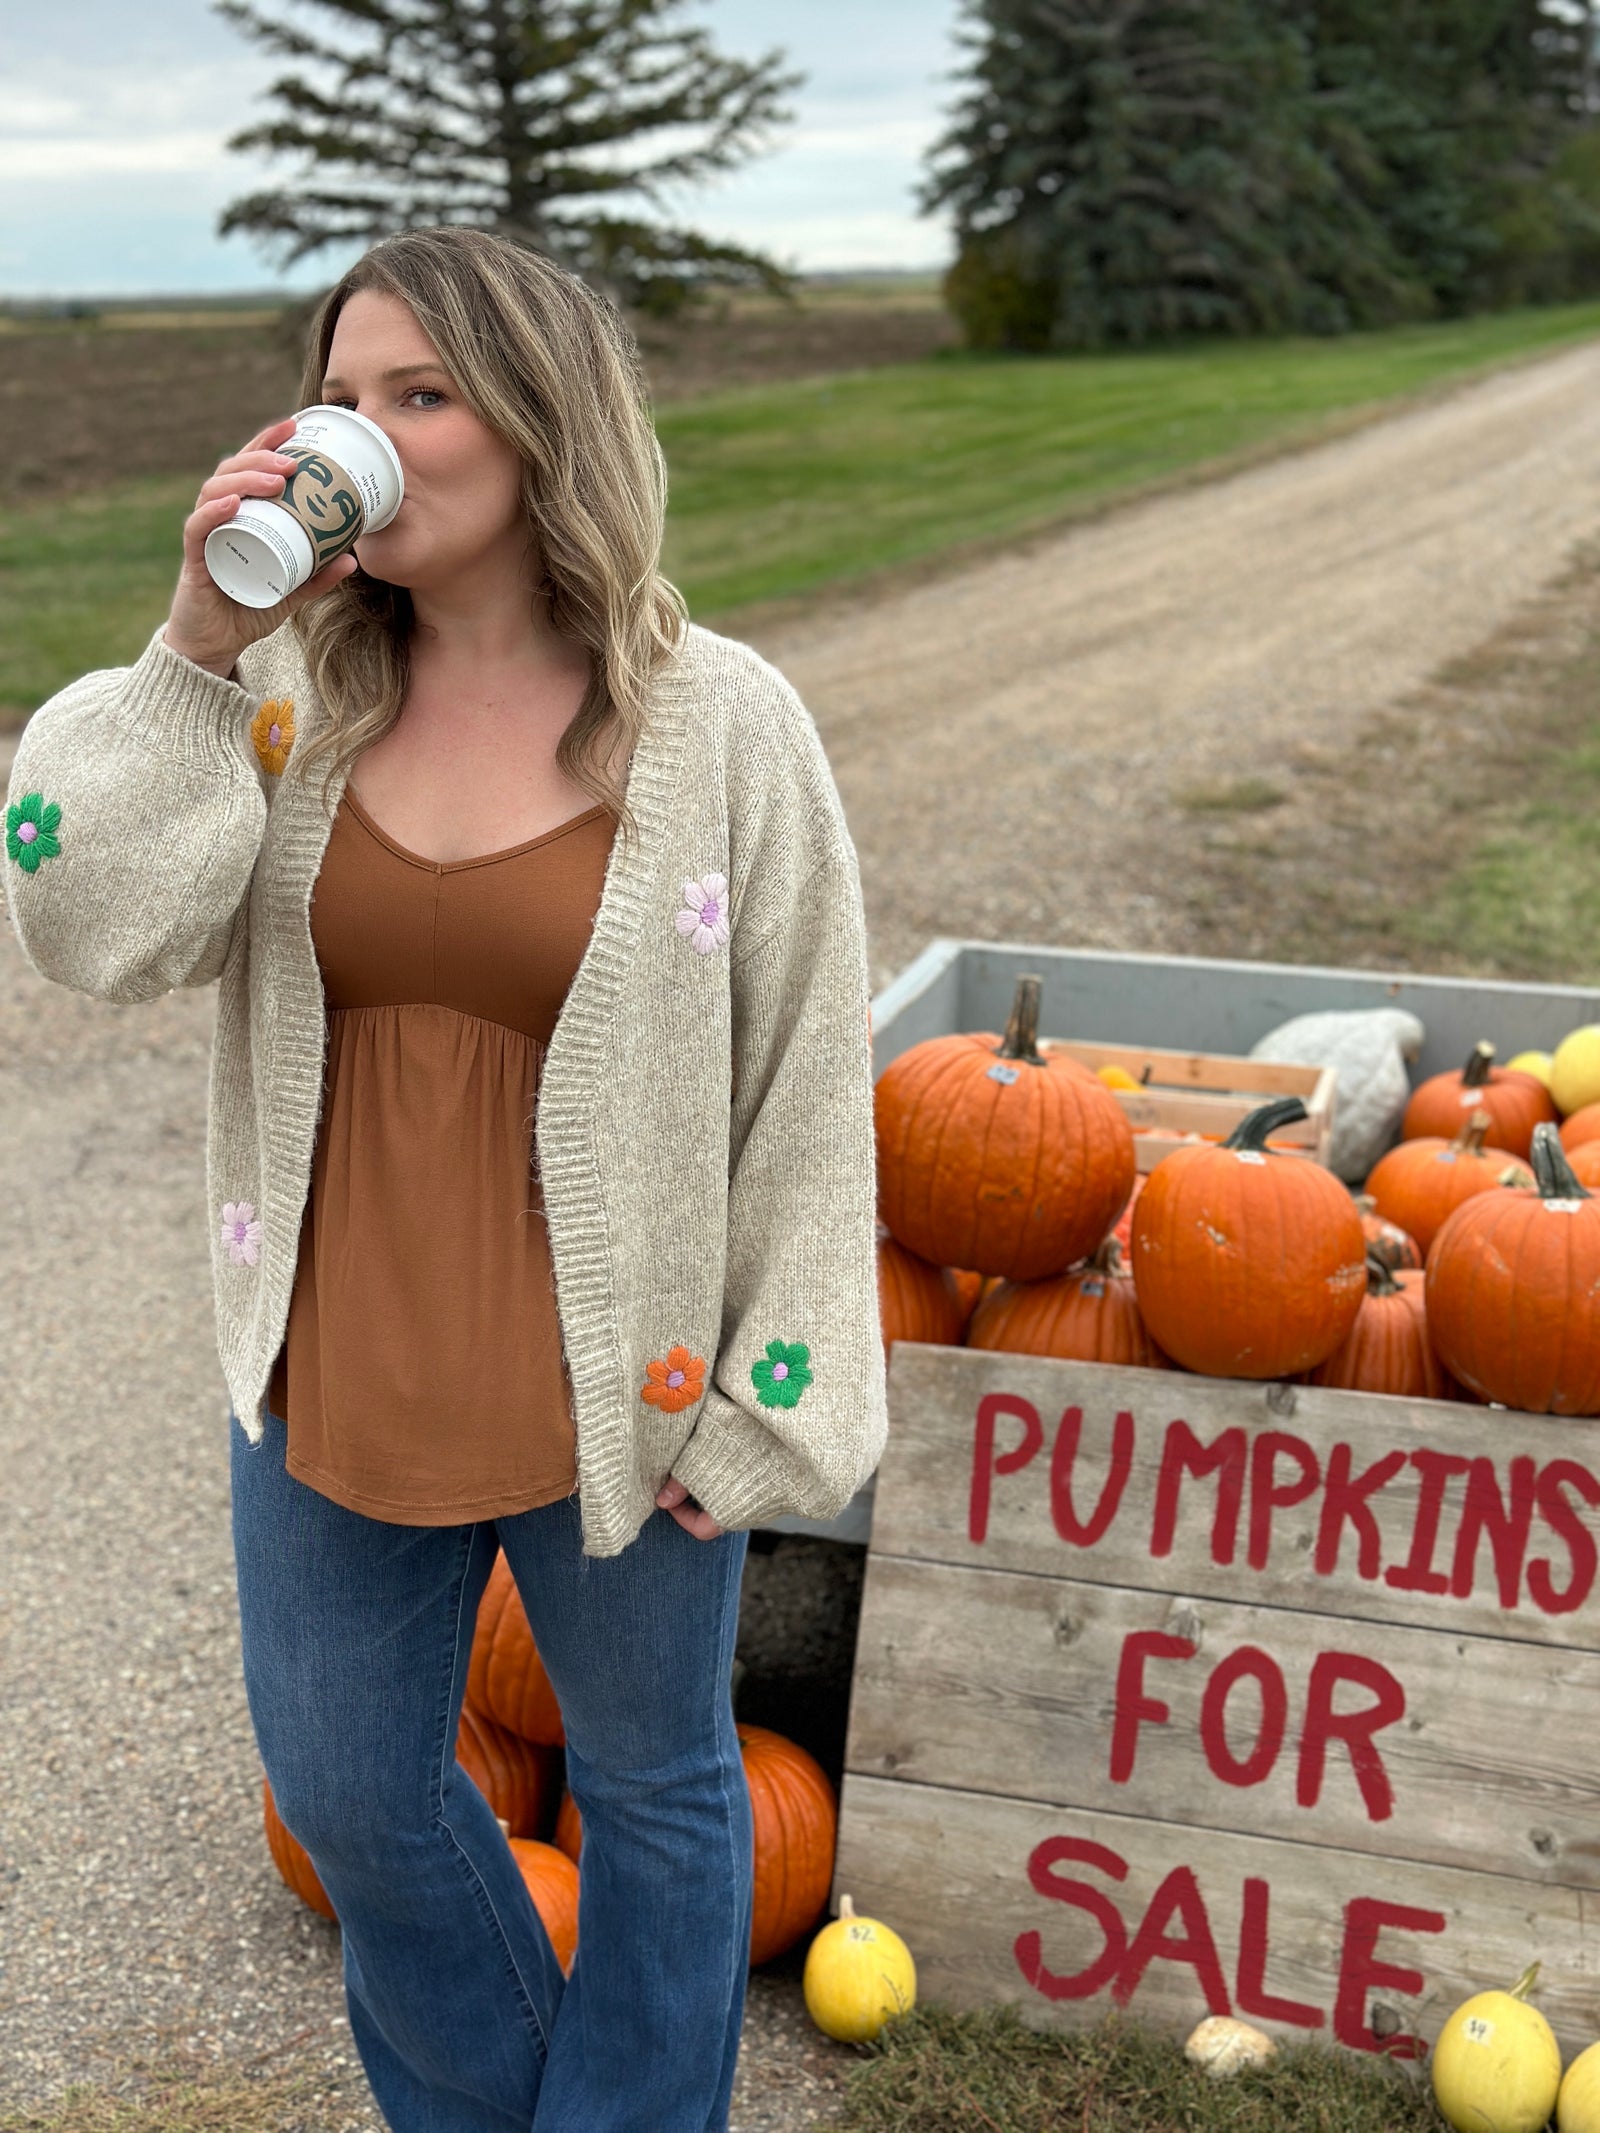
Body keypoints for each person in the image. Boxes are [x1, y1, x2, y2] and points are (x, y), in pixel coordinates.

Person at [3, 226, 887, 2132]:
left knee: (657, 1791)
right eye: (339, 393)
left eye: (419, 393)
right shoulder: (285, 701)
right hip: (337, 1369)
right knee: (345, 1790)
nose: (365, 431)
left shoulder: (719, 716)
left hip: (621, 1396)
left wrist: (772, 1403)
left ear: (539, 422)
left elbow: (812, 1073)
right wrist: (192, 640)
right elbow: (76, 916)